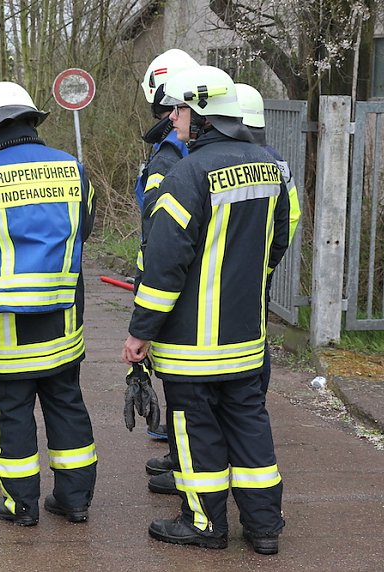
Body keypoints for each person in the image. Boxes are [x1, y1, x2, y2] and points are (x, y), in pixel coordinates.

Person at [122, 65, 290, 555]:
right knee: (250, 425)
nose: (172, 119)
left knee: (196, 431)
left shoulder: (188, 173)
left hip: (193, 342)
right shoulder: (269, 166)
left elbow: (165, 264)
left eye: (178, 110)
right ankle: (263, 528)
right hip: (245, 336)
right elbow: (277, 240)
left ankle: (204, 524)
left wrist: (140, 332)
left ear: (200, 117)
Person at [0, 81, 98, 527]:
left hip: (4, 328)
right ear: (33, 121)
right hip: (63, 321)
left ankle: (22, 505)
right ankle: (74, 501)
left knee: (12, 411)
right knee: (66, 404)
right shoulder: (74, 170)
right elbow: (86, 228)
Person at [133, 48, 199, 498]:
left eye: (172, 109)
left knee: (185, 386)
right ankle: (180, 456)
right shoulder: (175, 149)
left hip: (176, 287)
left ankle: (186, 465)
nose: (168, 117)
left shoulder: (174, 156)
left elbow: (164, 232)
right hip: (189, 284)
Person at [234, 82, 302, 396]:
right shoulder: (276, 159)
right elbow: (290, 216)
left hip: (236, 267)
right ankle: (253, 401)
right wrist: (269, 261)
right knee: (257, 331)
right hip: (261, 266)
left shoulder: (237, 158)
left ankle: (241, 404)